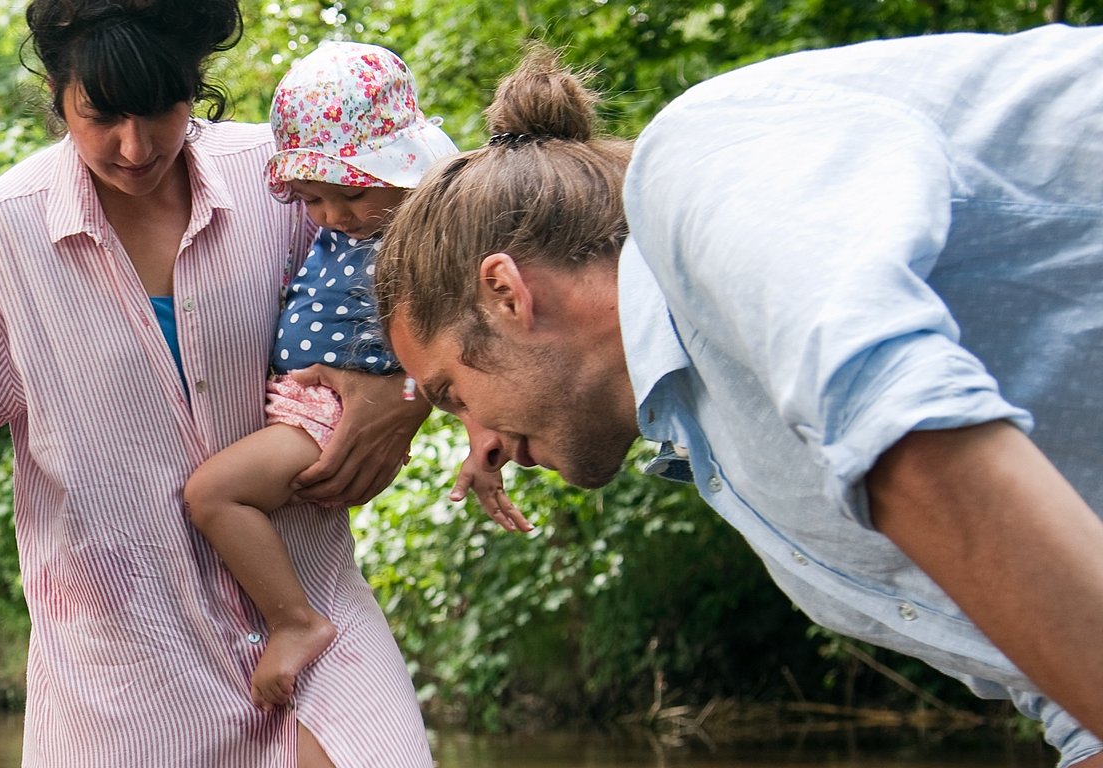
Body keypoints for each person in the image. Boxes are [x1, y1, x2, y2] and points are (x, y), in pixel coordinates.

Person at [375, 28, 1103, 767]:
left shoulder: (698, 165)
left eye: (453, 395)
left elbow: (905, 430)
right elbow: (1070, 699)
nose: (481, 445)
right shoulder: (754, 489)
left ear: (505, 293)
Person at [0, 1, 436, 764]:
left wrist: (408, 398)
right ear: (58, 95)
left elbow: (434, 295)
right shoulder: (2, 233)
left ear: (194, 85)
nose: (135, 145)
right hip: (130, 684)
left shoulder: (284, 182)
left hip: (317, 623)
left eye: (162, 109)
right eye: (104, 115)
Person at [179, 40, 530, 713]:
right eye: (312, 199)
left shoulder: (418, 244)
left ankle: (295, 621)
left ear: (401, 174)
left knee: (211, 495)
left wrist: (482, 432)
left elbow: (460, 341)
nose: (333, 215)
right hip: (307, 409)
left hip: (328, 423)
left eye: (349, 193)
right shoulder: (360, 226)